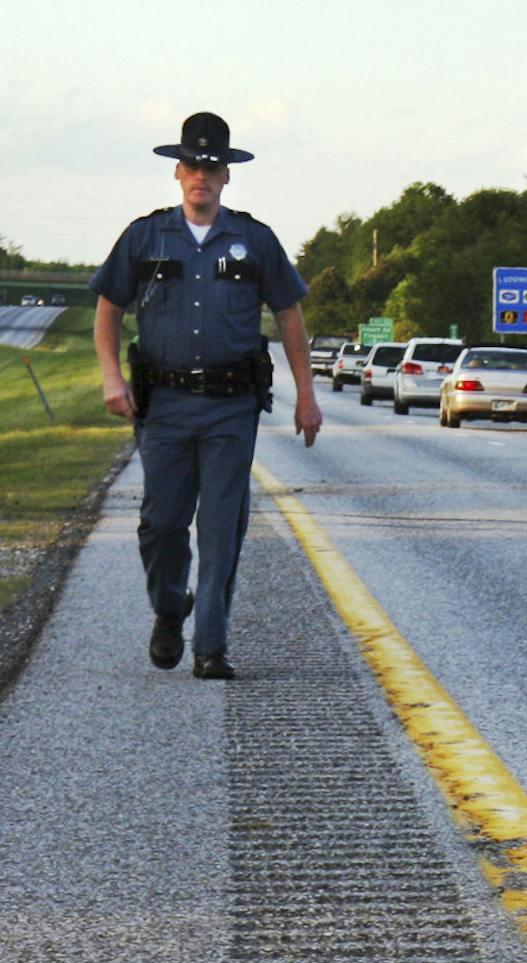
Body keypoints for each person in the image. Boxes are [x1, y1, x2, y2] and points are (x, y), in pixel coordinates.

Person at [92, 111, 320, 680]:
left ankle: (211, 646)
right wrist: (110, 377)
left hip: (230, 408)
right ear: (178, 171)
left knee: (222, 527)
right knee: (162, 524)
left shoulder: (254, 239)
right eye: (193, 164)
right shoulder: (145, 236)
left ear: (226, 176)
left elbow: (290, 315)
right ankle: (171, 609)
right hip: (163, 408)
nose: (202, 174)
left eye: (212, 165)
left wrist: (307, 395)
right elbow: (108, 309)